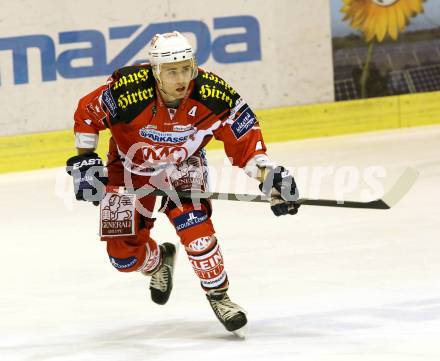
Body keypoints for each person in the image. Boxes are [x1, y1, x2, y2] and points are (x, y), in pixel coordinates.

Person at [66, 31, 299, 335]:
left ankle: (220, 296)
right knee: (123, 258)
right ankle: (159, 261)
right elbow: (88, 111)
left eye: (186, 68)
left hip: (183, 167)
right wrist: (86, 160)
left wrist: (270, 179)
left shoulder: (215, 94)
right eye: (171, 71)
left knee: (198, 234)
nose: (181, 78)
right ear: (155, 71)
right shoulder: (127, 90)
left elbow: (244, 140)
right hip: (126, 167)